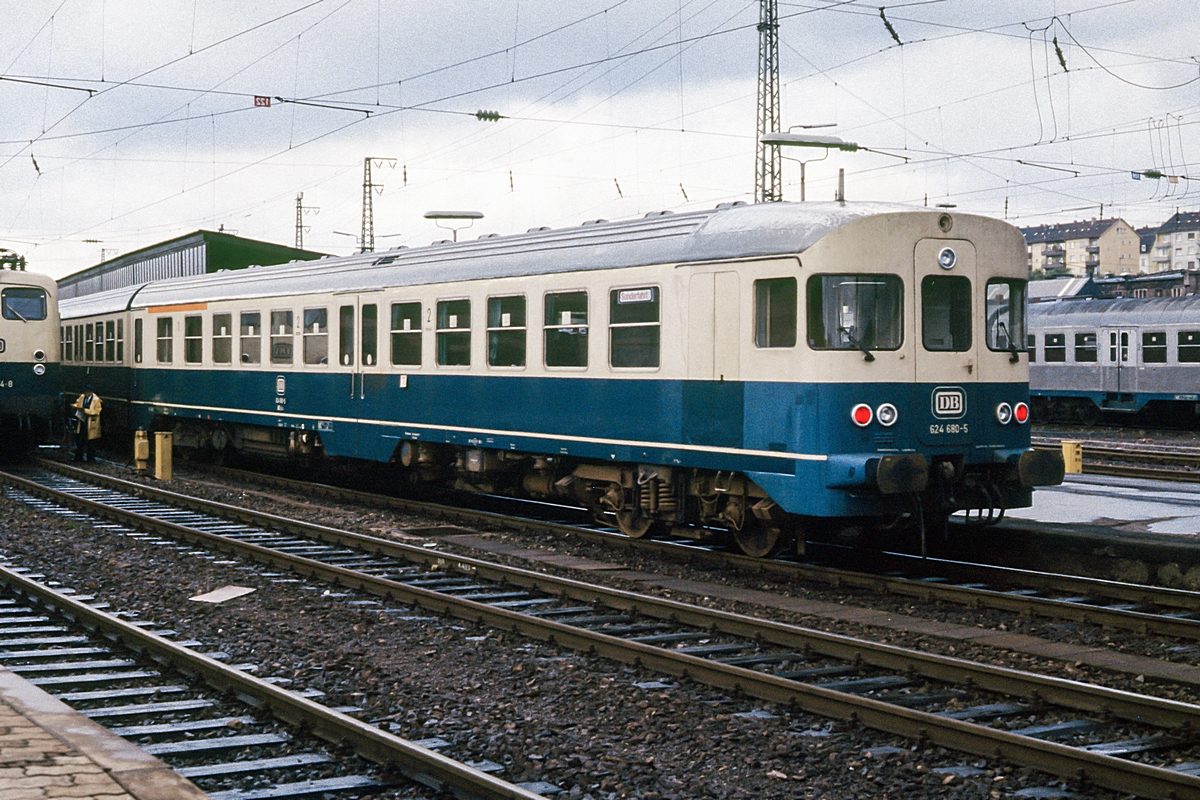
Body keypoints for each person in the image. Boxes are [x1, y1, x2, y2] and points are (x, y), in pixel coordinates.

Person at [72, 386, 102, 463]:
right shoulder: (82, 397)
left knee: (91, 442)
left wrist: (85, 410)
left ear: (91, 392)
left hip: (91, 423)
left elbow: (97, 411)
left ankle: (90, 459)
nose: (85, 394)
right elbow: (78, 403)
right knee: (80, 440)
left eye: (87, 392)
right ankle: (79, 457)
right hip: (82, 422)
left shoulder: (96, 400)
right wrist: (75, 406)